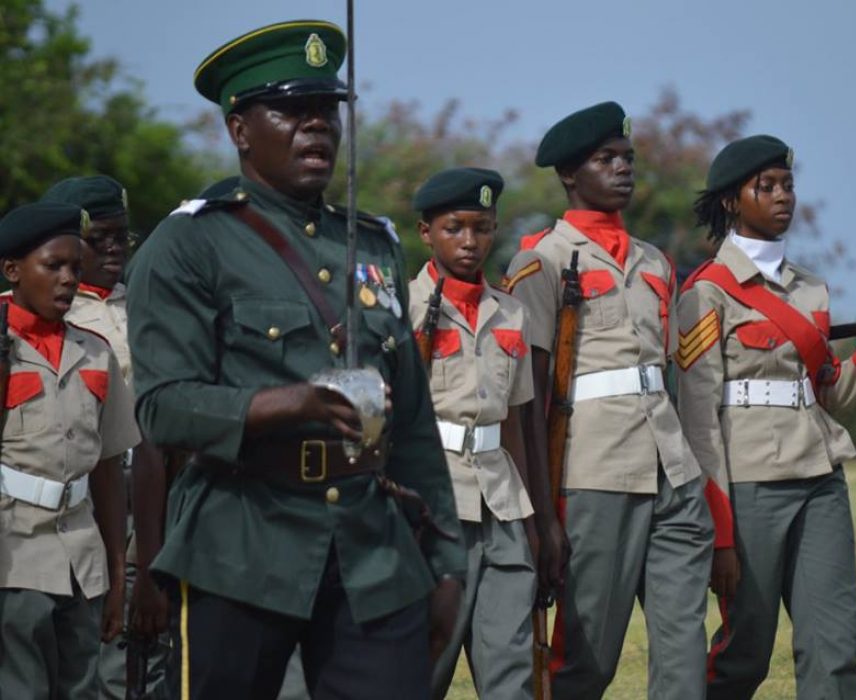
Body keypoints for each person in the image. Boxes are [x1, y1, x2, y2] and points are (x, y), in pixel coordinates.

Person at [125, 20, 465, 698]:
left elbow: (415, 420)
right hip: (242, 538)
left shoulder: (372, 246)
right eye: (290, 109)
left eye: (327, 110)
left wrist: (444, 561)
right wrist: (290, 404)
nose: (316, 127)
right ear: (239, 129)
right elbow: (162, 408)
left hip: (371, 545)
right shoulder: (189, 244)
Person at [677, 135, 856, 700]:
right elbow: (698, 419)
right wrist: (720, 529)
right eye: (767, 187)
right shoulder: (705, 293)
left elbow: (825, 394)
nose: (783, 196)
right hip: (750, 485)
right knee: (744, 653)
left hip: (820, 479)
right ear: (733, 201)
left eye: (788, 185)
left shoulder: (810, 289)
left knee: (835, 649)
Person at [504, 101, 714, 700]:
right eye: (606, 159)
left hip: (672, 468)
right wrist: (542, 517)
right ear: (571, 175)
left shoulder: (655, 262)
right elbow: (530, 397)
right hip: (594, 471)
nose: (623, 169)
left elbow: (674, 374)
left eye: (627, 158)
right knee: (585, 662)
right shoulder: (540, 260)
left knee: (682, 661)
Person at [408, 167, 558, 698]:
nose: (470, 241)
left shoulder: (511, 313)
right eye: (455, 227)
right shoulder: (401, 311)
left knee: (510, 671)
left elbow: (516, 421)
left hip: (502, 502)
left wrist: (535, 522)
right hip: (433, 501)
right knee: (423, 666)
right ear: (426, 231)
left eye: (483, 227)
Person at [0, 201, 140, 699]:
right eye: (53, 266)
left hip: (81, 557)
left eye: (75, 269)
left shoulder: (95, 350)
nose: (68, 280)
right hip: (13, 553)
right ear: (13, 270)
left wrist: (118, 576)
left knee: (84, 689)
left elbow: (107, 466)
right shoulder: (3, 344)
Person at [41, 173, 172, 699]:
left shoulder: (152, 303)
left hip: (152, 491)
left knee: (153, 654)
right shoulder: (44, 308)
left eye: (123, 236)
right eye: (99, 240)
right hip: (75, 502)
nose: (115, 248)